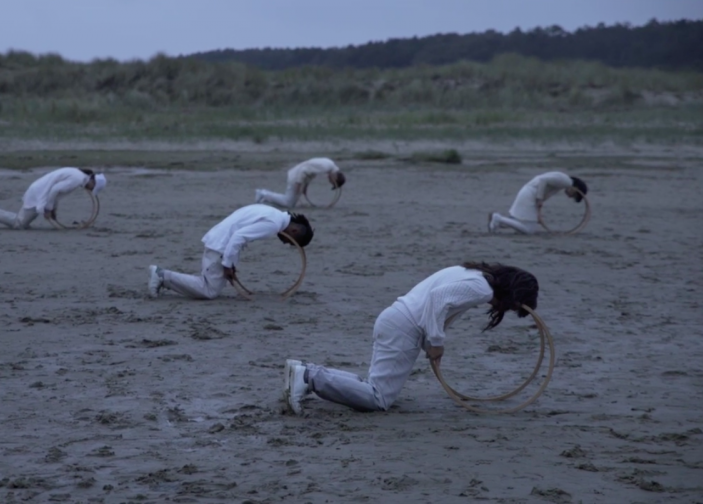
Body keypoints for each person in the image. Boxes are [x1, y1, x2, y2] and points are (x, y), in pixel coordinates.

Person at [283, 262, 539, 414]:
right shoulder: (481, 288)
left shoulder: (470, 273)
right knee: (378, 398)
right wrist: (436, 342)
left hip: (397, 320)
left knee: (375, 388)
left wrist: (431, 341)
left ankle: (306, 372)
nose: (503, 310)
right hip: (403, 327)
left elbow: (438, 306)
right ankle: (310, 377)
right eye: (512, 307)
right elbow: (436, 300)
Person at [148, 204, 314, 300]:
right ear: (295, 233)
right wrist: (227, 265)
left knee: (213, 287)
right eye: (291, 243)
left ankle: (164, 277)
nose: (286, 243)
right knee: (209, 291)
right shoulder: (274, 224)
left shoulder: (274, 212)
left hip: (221, 241)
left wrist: (231, 263)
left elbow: (239, 230)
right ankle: (162, 275)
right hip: (220, 245)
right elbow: (238, 236)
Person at [0, 167, 106, 229]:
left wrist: (53, 210)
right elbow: (54, 190)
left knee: (22, 222)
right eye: (92, 188)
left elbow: (57, 193)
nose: (90, 190)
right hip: (38, 194)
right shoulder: (78, 179)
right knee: (19, 224)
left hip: (39, 191)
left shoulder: (78, 176)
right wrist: (48, 209)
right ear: (93, 181)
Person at [488, 172, 588, 234]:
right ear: (576, 188)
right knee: (528, 230)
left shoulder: (563, 181)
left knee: (523, 224)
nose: (570, 197)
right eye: (574, 195)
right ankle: (498, 218)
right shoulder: (566, 181)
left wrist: (537, 213)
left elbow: (544, 188)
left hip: (529, 193)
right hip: (530, 194)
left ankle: (498, 223)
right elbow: (543, 180)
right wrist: (539, 200)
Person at [255, 157, 346, 209]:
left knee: (290, 203)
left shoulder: (329, 165)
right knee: (288, 202)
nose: (329, 181)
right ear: (335, 178)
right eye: (331, 182)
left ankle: (265, 199)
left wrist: (305, 186)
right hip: (296, 176)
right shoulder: (326, 167)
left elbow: (310, 173)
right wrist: (298, 184)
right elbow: (304, 170)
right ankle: (263, 194)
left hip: (299, 176)